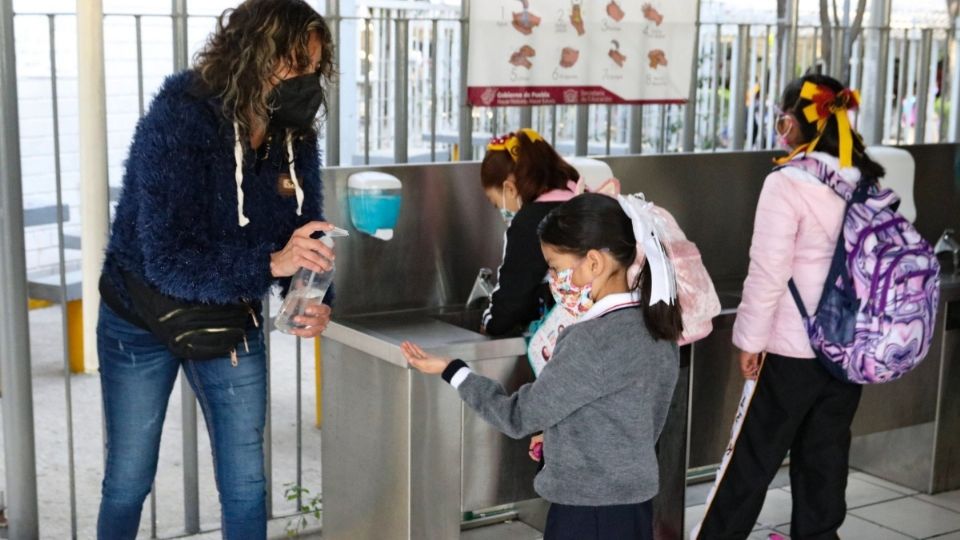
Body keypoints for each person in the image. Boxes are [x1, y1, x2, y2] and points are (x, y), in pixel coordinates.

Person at [95, 1, 336, 538]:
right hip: (138, 318)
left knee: (247, 485)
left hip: (232, 317)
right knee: (128, 480)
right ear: (250, 55)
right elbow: (168, 259)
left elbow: (303, 234)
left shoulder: (293, 134)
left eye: (314, 67)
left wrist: (314, 293)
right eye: (293, 63)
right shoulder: (180, 117)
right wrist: (271, 261)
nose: (305, 79)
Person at [403, 193, 682, 540]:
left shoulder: (591, 340)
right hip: (634, 504)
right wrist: (563, 434)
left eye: (554, 265)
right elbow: (630, 419)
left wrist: (454, 371)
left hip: (586, 511)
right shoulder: (657, 326)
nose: (552, 278)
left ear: (594, 263)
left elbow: (518, 416)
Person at [692, 74, 886, 539]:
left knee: (751, 461)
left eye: (783, 120)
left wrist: (750, 341)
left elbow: (768, 272)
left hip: (790, 350)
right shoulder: (868, 180)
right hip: (846, 349)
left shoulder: (788, 182)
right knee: (825, 459)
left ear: (796, 123)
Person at [479, 128, 579, 336]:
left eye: (496, 203)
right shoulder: (582, 197)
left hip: (568, 340)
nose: (502, 210)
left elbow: (512, 301)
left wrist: (489, 322)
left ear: (509, 189)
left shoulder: (530, 223)